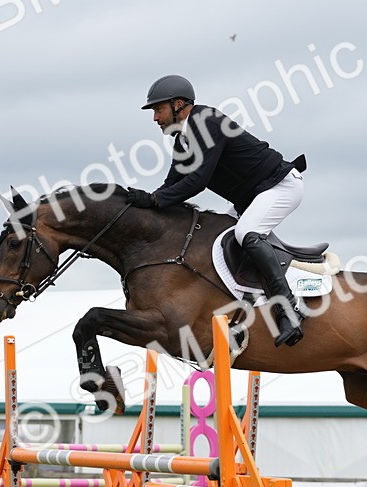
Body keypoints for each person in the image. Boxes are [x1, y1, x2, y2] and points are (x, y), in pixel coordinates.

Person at [127, 74, 308, 347]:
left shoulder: (207, 122)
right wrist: (146, 206)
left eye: (158, 109)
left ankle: (288, 310)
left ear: (178, 105)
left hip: (281, 186)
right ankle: (244, 309)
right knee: (220, 236)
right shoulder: (183, 140)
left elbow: (196, 181)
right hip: (252, 198)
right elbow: (172, 184)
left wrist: (154, 200)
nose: (155, 118)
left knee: (246, 232)